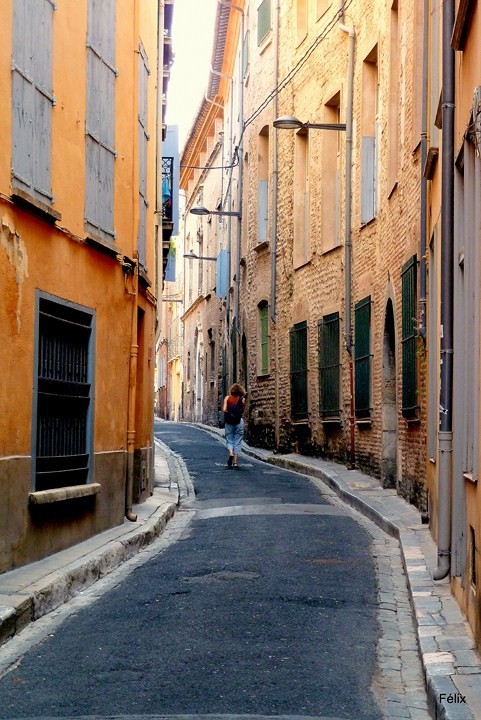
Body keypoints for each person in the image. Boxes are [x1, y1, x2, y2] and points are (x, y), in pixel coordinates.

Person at [222, 383, 246, 468]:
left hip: (229, 422)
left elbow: (224, 409)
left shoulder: (227, 398)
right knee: (238, 441)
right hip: (239, 421)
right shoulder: (242, 399)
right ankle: (235, 462)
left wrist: (229, 411)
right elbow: (242, 410)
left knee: (229, 439)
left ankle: (231, 453)